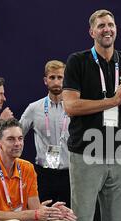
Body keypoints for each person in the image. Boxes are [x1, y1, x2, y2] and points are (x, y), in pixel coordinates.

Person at [63, 9, 121, 221]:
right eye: (101, 26)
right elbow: (70, 106)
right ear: (92, 32)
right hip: (86, 153)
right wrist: (110, 101)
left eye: (111, 25)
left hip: (119, 153)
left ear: (116, 29)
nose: (107, 29)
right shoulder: (78, 61)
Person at [0, 118, 76, 221]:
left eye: (20, 138)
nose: (17, 144)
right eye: (11, 139)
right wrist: (34, 214)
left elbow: (36, 215)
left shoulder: (27, 168)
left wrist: (51, 212)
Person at [20, 60, 71, 207]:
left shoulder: (74, 107)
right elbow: (18, 134)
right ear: (45, 80)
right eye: (52, 77)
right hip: (44, 174)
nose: (56, 82)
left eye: (60, 77)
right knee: (45, 217)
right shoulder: (34, 108)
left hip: (70, 173)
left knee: (69, 218)